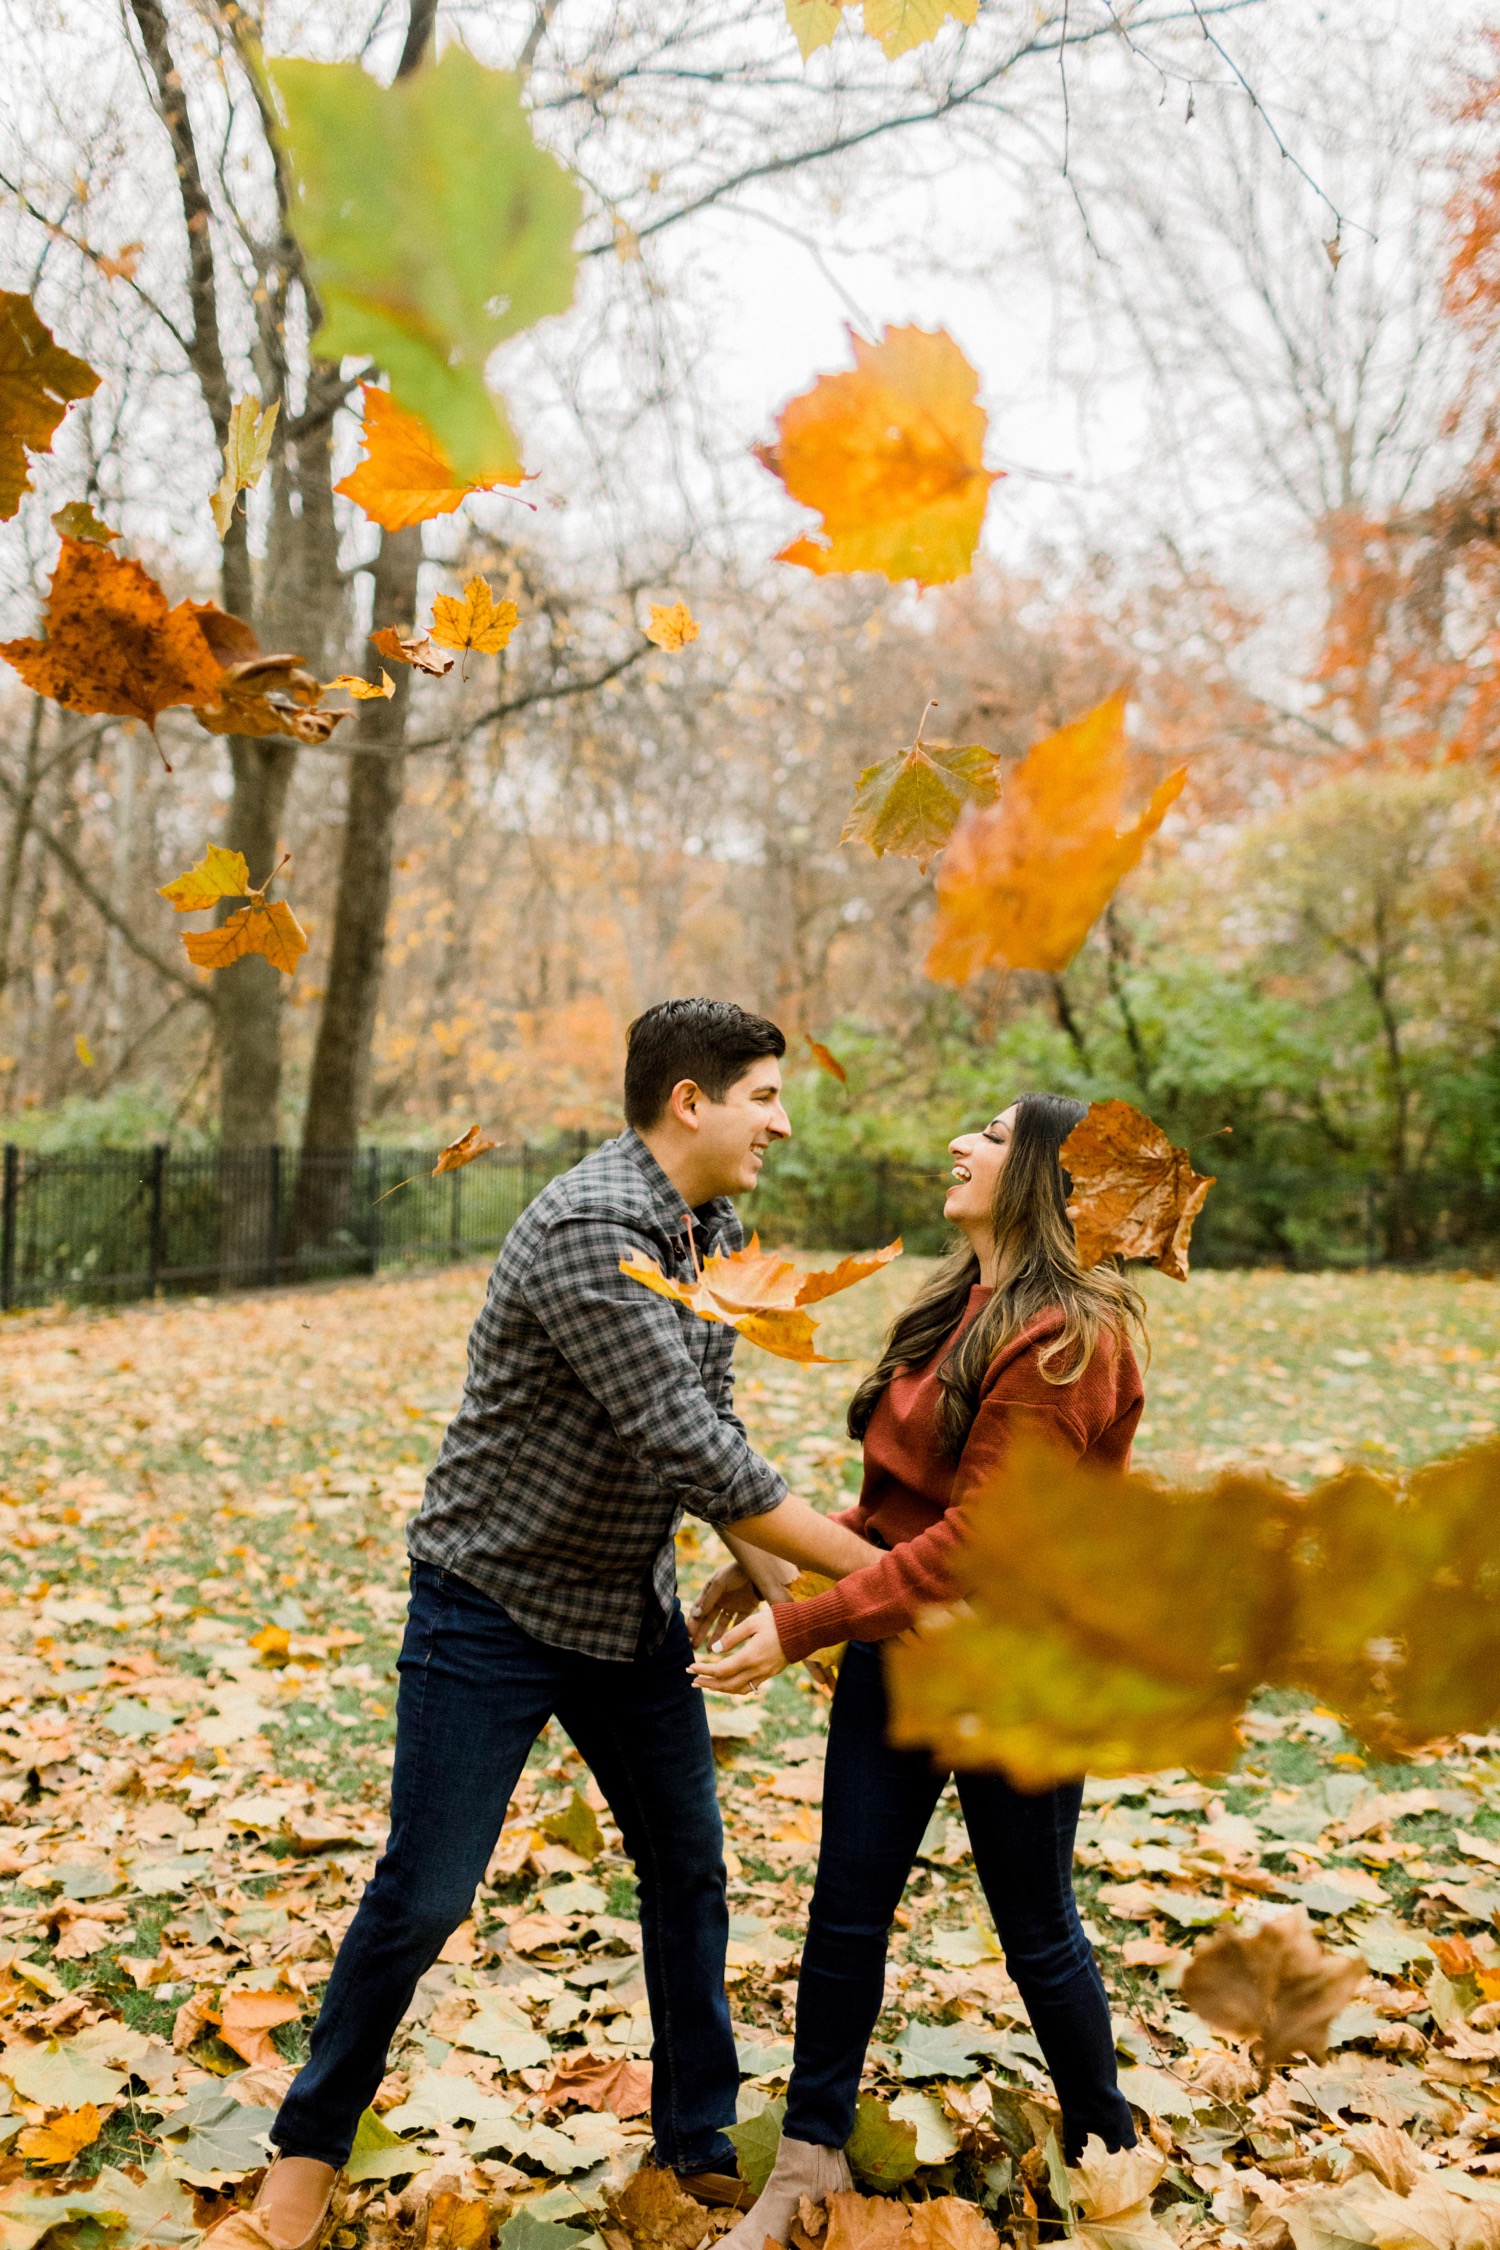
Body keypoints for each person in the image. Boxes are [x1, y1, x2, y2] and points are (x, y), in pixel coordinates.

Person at [215, 1000, 881, 2250]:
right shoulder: (590, 1230)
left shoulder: (710, 1225)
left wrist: (789, 1597)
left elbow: (712, 1427)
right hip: (494, 1607)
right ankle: (303, 2157)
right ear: (690, 1101)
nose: (782, 1124)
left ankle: (693, 2145)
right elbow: (685, 1442)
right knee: (426, 1893)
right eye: (764, 1097)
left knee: (687, 1871)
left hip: (627, 1610)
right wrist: (886, 1585)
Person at [691, 1093, 1146, 2247]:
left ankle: (1111, 2148)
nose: (960, 1144)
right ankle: (805, 2161)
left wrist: (809, 1625)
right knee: (846, 1911)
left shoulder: (1069, 1337)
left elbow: (979, 1541)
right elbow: (908, 1510)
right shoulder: (959, 1303)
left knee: (1036, 1925)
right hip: (908, 1648)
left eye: (991, 1138)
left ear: (1043, 1173)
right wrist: (779, 1564)